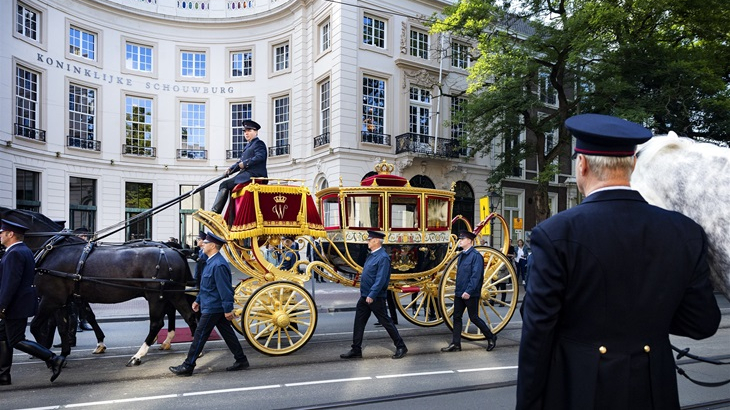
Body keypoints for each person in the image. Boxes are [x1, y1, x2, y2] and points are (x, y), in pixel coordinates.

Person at [516, 114, 721, 410]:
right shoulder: (685, 232)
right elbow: (702, 323)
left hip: (580, 391)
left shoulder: (555, 234)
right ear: (632, 164)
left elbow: (537, 338)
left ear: (582, 165)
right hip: (654, 391)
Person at [169, 232, 249, 376]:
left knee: (199, 335)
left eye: (205, 243)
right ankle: (241, 360)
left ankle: (188, 366)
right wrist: (198, 300)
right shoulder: (211, 261)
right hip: (211, 304)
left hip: (214, 307)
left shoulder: (218, 264)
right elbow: (206, 286)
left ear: (212, 246)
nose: (202, 245)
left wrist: (228, 309)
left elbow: (224, 290)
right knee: (228, 333)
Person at [0, 212, 66, 385]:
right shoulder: (24, 250)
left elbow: (10, 283)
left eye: (1, 232)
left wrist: (1, 306)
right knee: (3, 336)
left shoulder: (14, 253)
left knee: (16, 340)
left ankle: (53, 358)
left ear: (10, 234)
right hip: (17, 303)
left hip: (14, 305)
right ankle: (3, 374)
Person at [340, 230, 407, 360]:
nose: (368, 242)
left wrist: (372, 294)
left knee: (386, 321)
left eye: (369, 240)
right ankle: (356, 349)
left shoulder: (383, 257)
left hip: (375, 297)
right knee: (359, 322)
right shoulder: (372, 255)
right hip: (366, 295)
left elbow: (381, 279)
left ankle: (401, 346)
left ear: (376, 241)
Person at [441, 231, 497, 353]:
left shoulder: (476, 256)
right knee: (457, 317)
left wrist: (469, 291)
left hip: (469, 293)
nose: (460, 241)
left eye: (463, 239)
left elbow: (476, 276)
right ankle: (456, 344)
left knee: (474, 317)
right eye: (460, 239)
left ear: (470, 241)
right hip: (460, 292)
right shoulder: (461, 255)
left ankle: (491, 336)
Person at [210, 120, 268, 214]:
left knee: (224, 184)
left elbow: (260, 157)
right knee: (229, 187)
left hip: (254, 175)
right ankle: (231, 218)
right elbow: (240, 162)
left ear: (256, 132)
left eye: (249, 130)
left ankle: (215, 213)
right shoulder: (248, 146)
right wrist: (230, 169)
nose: (246, 133)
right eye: (245, 131)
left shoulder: (259, 143)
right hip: (246, 174)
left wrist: (246, 163)